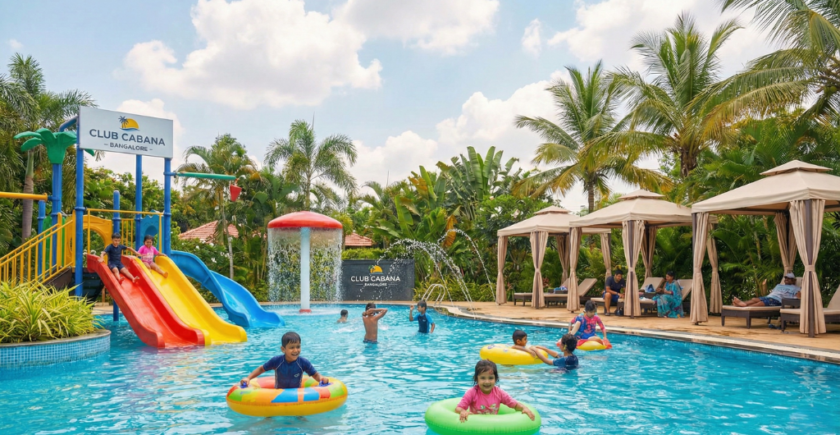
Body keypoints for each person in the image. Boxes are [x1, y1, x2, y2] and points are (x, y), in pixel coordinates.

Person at [240, 331, 328, 389]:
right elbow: (261, 369)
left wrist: (321, 378)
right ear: (283, 349)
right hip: (279, 393)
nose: (295, 350)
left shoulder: (303, 362)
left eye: (298, 347)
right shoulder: (277, 361)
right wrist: (248, 378)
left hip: (296, 394)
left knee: (299, 416)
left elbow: (315, 374)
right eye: (291, 347)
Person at [455, 360, 536, 422]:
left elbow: (514, 405)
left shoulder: (499, 393)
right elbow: (458, 408)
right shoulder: (472, 393)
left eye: (490, 378)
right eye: (483, 378)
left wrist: (524, 408)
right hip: (476, 426)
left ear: (495, 379)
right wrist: (463, 411)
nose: (487, 382)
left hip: (493, 426)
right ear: (477, 379)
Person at [733, 272, 801, 307]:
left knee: (760, 303)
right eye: (786, 278)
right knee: (754, 299)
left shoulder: (794, 288)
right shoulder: (779, 285)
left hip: (777, 300)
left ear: (793, 280)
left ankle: (744, 307)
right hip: (769, 297)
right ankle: (743, 304)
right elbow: (772, 293)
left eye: (789, 278)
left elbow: (799, 297)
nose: (786, 279)